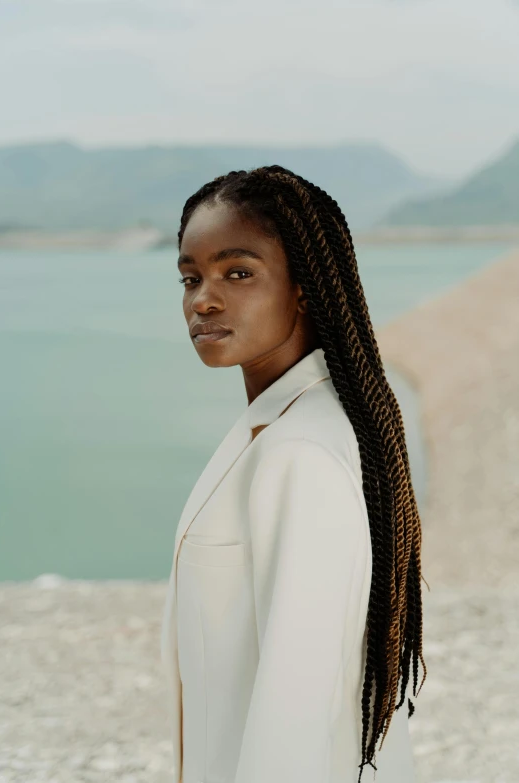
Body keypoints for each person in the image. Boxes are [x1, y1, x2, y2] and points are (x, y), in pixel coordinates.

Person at [161, 165, 428, 783]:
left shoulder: (299, 452)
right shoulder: (287, 424)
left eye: (238, 273)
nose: (203, 298)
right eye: (190, 277)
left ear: (304, 288)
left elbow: (296, 704)